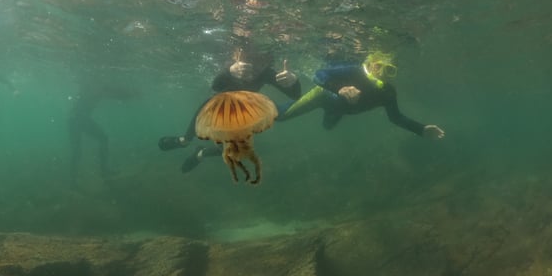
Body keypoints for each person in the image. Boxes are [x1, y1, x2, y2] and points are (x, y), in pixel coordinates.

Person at [158, 45, 301, 172]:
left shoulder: (266, 72)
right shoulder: (233, 65)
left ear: (268, 61)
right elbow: (216, 87)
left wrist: (293, 81)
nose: (256, 66)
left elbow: (295, 94)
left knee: (230, 151)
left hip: (240, 111)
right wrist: (229, 71)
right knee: (207, 115)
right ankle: (184, 140)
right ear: (239, 55)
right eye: (252, 59)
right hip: (217, 107)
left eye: (263, 61)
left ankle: (200, 154)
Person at [277, 51, 445, 139]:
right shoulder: (354, 71)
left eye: (389, 70)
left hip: (338, 109)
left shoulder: (387, 93)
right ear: (370, 64)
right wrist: (338, 89)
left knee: (327, 127)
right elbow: (319, 74)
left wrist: (420, 129)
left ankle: (330, 112)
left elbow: (395, 118)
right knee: (281, 115)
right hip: (323, 95)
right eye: (378, 66)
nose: (382, 73)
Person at [68, 78, 135, 187]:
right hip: (77, 119)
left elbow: (112, 95)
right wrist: (128, 95)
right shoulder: (93, 88)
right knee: (83, 149)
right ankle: (77, 179)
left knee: (80, 150)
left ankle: (76, 180)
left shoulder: (96, 89)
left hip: (76, 119)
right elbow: (110, 94)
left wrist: (127, 95)